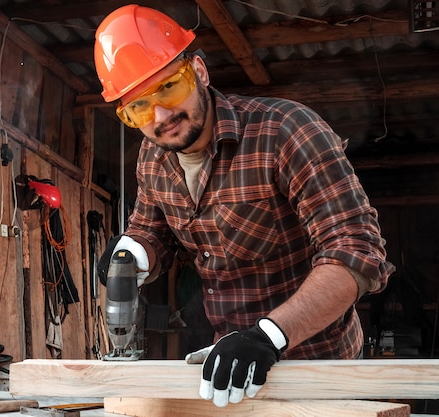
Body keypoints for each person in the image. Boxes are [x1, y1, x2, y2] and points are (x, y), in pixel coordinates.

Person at [94, 4, 395, 407]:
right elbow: (152, 232)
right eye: (139, 108)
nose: (161, 115)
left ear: (198, 71)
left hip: (318, 370)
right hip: (234, 370)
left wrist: (268, 335)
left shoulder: (287, 131)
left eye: (169, 88)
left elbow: (356, 251)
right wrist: (132, 254)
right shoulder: (153, 157)